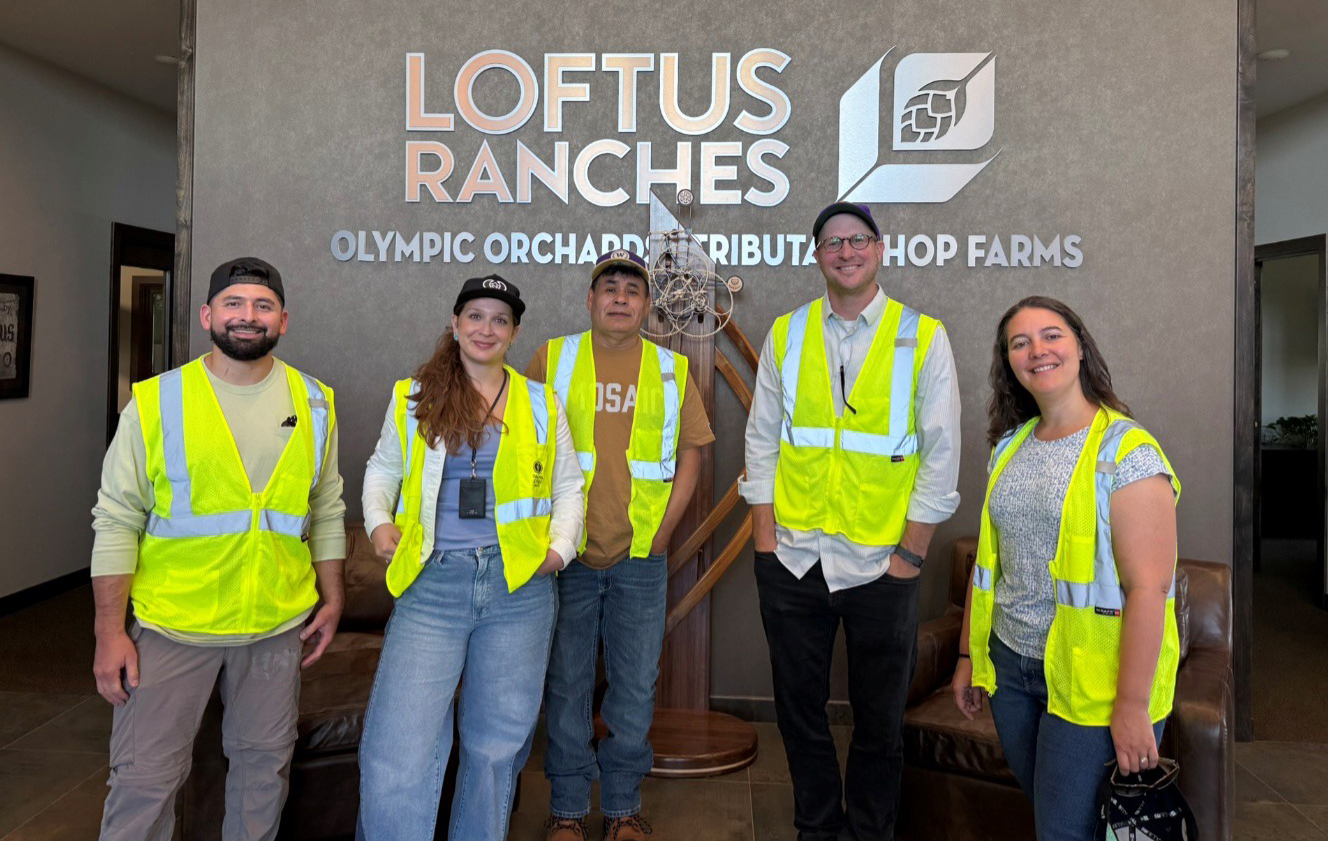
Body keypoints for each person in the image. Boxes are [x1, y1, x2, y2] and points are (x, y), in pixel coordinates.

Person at [91, 257, 346, 841]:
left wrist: (331, 598)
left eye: (262, 305)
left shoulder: (317, 403)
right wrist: (110, 631)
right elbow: (116, 520)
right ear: (208, 315)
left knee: (263, 777)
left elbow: (326, 509)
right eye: (234, 304)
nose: (247, 316)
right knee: (144, 782)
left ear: (284, 319)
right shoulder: (156, 403)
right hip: (172, 626)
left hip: (276, 627)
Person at [741, 203, 961, 841]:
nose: (845, 252)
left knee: (879, 724)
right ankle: (816, 829)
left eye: (857, 240)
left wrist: (910, 558)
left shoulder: (922, 335)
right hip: (792, 559)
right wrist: (763, 542)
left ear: (880, 249)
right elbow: (762, 442)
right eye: (833, 243)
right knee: (800, 716)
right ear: (818, 255)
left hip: (880, 565)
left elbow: (940, 453)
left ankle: (869, 832)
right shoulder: (788, 333)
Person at [357, 274, 584, 841]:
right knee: (398, 749)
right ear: (455, 324)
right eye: (476, 316)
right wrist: (381, 525)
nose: (487, 328)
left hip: (518, 592)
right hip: (434, 586)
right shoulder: (415, 395)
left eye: (500, 320)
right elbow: (383, 470)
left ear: (515, 333)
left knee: (495, 749)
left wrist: (558, 551)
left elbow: (568, 487)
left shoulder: (539, 401)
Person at [949, 296, 1181, 841]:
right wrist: (968, 657)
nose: (1037, 350)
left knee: (1065, 832)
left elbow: (1149, 589)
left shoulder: (1128, 451)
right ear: (1008, 362)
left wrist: (1131, 705)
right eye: (1019, 342)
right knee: (1056, 821)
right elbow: (989, 568)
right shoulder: (1009, 447)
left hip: (1093, 683)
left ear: (1080, 347)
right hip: (1012, 670)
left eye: (1051, 335)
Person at [528, 250, 713, 841]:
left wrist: (661, 535)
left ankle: (623, 810)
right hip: (567, 557)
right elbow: (519, 452)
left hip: (640, 557)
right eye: (608, 287)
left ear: (647, 305)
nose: (619, 297)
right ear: (589, 299)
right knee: (567, 684)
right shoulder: (551, 359)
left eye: (632, 290)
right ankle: (566, 810)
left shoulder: (670, 369)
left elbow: (693, 455)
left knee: (634, 687)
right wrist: (548, 538)